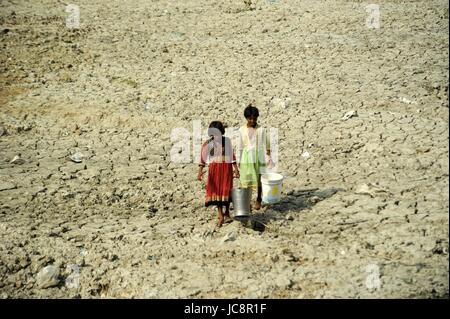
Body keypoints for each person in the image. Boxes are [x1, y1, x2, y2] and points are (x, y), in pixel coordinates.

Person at [197, 121, 240, 227]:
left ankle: (227, 213)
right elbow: (202, 159)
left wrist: (236, 169)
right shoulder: (207, 144)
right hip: (214, 170)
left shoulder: (227, 141)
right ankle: (220, 214)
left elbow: (232, 156)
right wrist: (200, 172)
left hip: (226, 170)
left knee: (226, 190)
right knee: (217, 192)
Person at [237, 104, 272, 210]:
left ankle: (258, 199)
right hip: (246, 158)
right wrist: (239, 160)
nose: (252, 120)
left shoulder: (261, 129)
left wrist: (268, 156)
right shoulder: (241, 130)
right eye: (250, 118)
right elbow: (240, 146)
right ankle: (247, 201)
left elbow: (267, 143)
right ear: (246, 118)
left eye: (254, 118)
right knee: (246, 179)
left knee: (259, 178)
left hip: (258, 156)